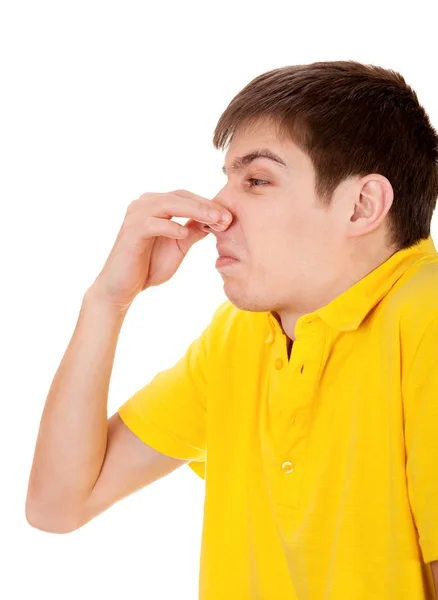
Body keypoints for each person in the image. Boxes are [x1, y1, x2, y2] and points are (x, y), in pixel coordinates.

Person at [26, 60, 438, 599]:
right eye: (227, 179)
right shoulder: (240, 335)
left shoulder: (425, 315)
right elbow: (57, 505)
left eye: (257, 180)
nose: (218, 207)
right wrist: (108, 300)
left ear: (362, 205)